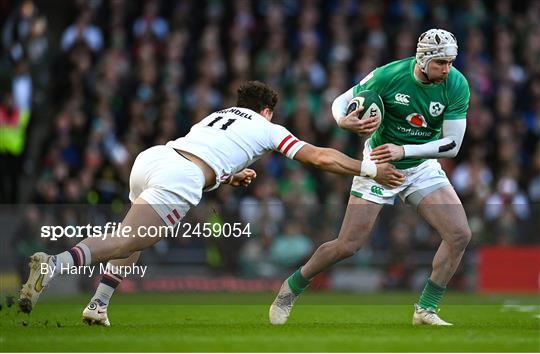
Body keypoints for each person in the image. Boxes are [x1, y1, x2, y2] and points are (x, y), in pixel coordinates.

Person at [18, 81, 405, 325]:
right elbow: (320, 157)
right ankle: (55, 264)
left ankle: (98, 306)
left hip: (155, 158)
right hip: (180, 176)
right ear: (267, 110)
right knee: (128, 239)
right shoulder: (269, 127)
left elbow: (211, 153)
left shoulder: (218, 115)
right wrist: (369, 169)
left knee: (131, 239)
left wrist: (229, 175)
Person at [270, 29, 471, 326]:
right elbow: (341, 101)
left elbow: (452, 145)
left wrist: (403, 151)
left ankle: (425, 309)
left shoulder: (456, 84)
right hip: (378, 165)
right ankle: (292, 288)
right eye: (441, 62)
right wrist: (344, 119)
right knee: (348, 245)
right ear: (423, 57)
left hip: (420, 166)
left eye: (451, 62)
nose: (447, 69)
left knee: (459, 234)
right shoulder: (388, 75)